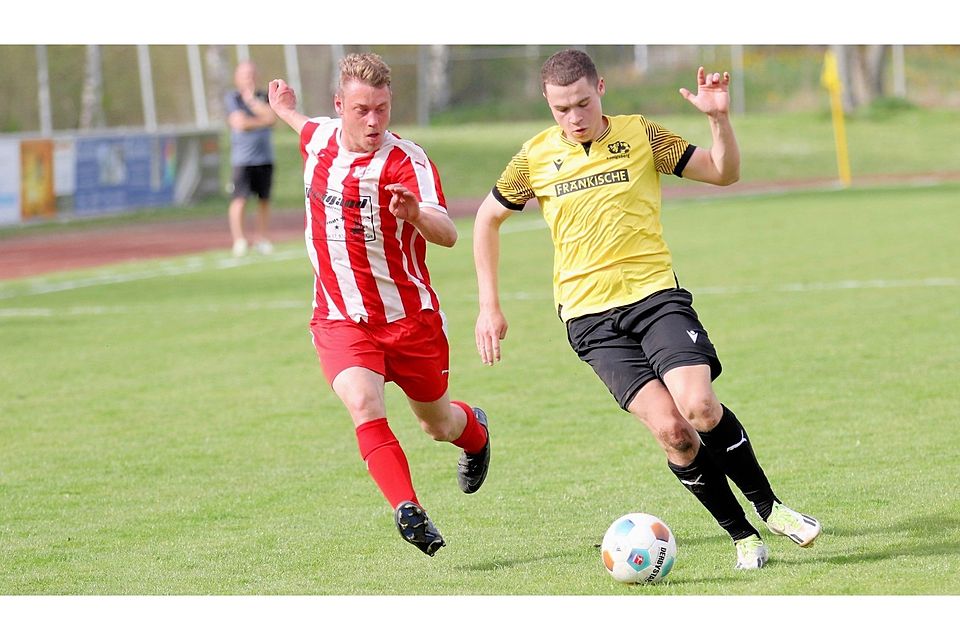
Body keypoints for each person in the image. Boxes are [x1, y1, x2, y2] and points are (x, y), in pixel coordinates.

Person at [473, 48, 820, 570]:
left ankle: (771, 507)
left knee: (699, 406)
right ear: (548, 103)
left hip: (655, 298)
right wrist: (488, 306)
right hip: (591, 321)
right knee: (673, 433)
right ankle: (742, 535)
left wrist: (719, 121)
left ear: (602, 89)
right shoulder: (534, 157)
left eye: (583, 103)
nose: (574, 117)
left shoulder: (641, 135)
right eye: (561, 108)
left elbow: (722, 172)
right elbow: (485, 220)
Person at [267, 53, 491, 557]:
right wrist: (284, 106)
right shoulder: (321, 140)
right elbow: (301, 126)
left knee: (437, 424)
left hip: (410, 321)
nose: (373, 121)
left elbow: (450, 233)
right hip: (340, 317)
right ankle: (408, 509)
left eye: (383, 110)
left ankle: (475, 433)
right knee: (363, 403)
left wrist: (414, 215)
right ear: (339, 105)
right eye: (362, 109)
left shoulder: (407, 161)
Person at [226, 60, 277, 257]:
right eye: (245, 74)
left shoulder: (263, 96)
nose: (249, 77)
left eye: (252, 73)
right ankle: (239, 240)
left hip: (265, 158)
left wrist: (252, 103)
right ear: (237, 77)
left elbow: (272, 118)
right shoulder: (233, 98)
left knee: (264, 199)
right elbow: (239, 123)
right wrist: (261, 120)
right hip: (242, 159)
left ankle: (262, 238)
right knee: (240, 199)